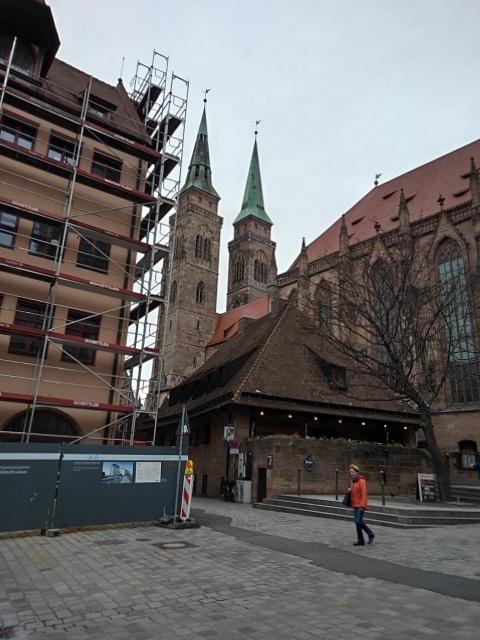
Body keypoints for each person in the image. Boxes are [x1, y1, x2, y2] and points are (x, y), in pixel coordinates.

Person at [348, 464, 375, 546]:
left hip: (360, 505)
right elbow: (353, 493)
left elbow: (364, 494)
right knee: (357, 523)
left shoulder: (361, 481)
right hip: (355, 504)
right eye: (350, 472)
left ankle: (370, 534)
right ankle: (360, 540)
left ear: (357, 472)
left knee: (358, 521)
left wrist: (363, 505)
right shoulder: (352, 482)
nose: (351, 473)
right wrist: (350, 490)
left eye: (352, 472)